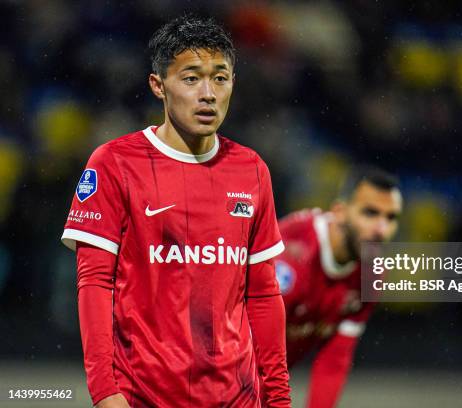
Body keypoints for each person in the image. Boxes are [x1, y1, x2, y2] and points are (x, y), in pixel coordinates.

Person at [60, 15, 290, 408]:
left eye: (220, 78)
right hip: (144, 397)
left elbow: (264, 293)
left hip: (238, 398)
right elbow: (95, 283)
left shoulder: (251, 169)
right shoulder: (114, 163)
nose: (208, 94)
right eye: (191, 78)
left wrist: (279, 398)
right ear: (158, 85)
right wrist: (104, 391)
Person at [275, 166, 402, 408]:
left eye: (391, 217)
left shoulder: (372, 273)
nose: (381, 229)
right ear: (340, 212)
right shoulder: (294, 254)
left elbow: (334, 360)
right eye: (370, 213)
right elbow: (241, 344)